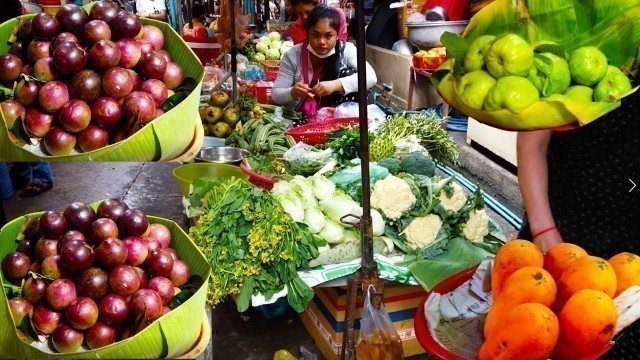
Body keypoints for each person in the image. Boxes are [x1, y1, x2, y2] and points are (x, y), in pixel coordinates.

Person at [517, 93, 640, 358]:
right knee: (535, 337)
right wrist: (545, 233)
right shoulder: (581, 55)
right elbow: (532, 144)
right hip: (562, 233)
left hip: (632, 260)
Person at [272, 5, 376, 122]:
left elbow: (371, 77)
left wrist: (335, 85)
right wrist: (292, 92)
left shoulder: (346, 50)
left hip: (338, 115)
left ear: (337, 35)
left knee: (349, 74)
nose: (322, 42)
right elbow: (276, 94)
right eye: (315, 35)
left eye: (328, 36)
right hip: (300, 117)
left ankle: (348, 121)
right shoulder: (293, 55)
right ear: (308, 33)